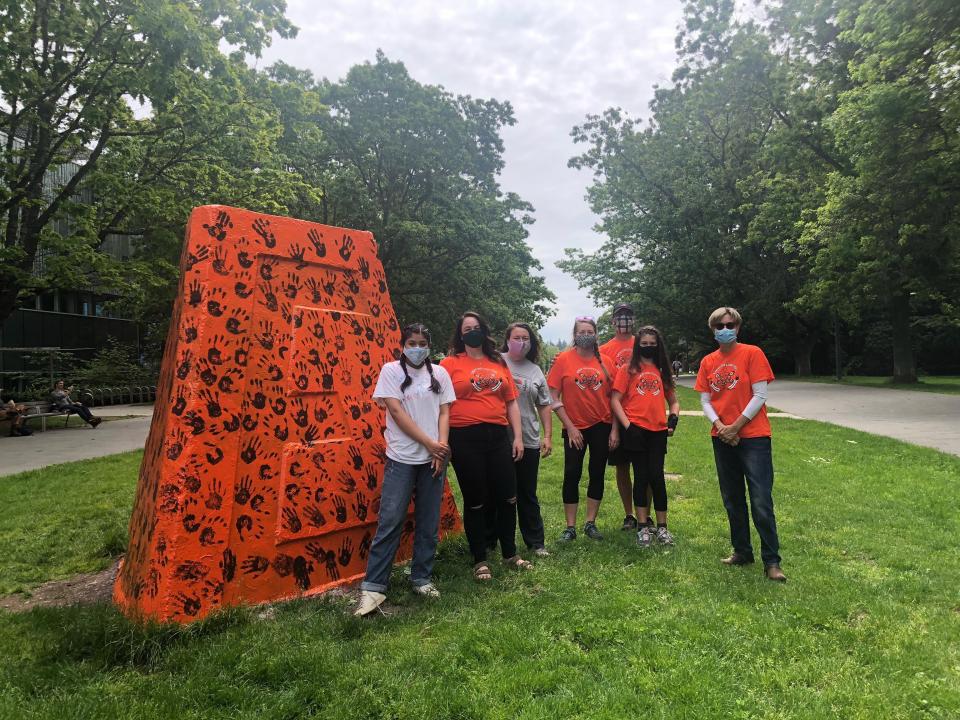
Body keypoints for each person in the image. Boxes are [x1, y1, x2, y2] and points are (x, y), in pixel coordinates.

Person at [355, 324, 457, 616]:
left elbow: (445, 411)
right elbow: (396, 412)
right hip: (402, 458)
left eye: (422, 342)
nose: (417, 347)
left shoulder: (440, 373)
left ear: (428, 345)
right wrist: (430, 443)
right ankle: (374, 587)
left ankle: (421, 578)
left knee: (428, 522)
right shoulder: (390, 371)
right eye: (412, 342)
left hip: (433, 459)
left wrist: (441, 447)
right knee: (391, 519)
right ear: (403, 344)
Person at [695, 307, 786, 582]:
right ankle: (742, 551)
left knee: (760, 500)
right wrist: (722, 427)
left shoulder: (752, 354)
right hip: (722, 438)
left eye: (730, 324)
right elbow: (705, 400)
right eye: (720, 325)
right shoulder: (708, 362)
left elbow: (760, 394)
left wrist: (736, 426)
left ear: (738, 327)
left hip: (754, 437)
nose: (725, 328)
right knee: (732, 498)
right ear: (713, 330)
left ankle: (772, 562)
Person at [440, 312, 531, 582]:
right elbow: (439, 403)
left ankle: (510, 554)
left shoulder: (497, 361)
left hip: (497, 436)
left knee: (507, 495)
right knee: (476, 499)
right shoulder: (448, 364)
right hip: (465, 436)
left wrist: (517, 437)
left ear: (484, 331)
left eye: (476, 328)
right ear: (460, 334)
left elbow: (511, 401)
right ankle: (480, 559)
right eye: (467, 329)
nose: (472, 332)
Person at [484, 322, 552, 557]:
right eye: (517, 337)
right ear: (508, 339)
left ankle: (535, 542)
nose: (521, 342)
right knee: (495, 491)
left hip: (529, 438)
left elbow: (544, 405)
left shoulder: (535, 370)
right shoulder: (495, 362)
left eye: (526, 338)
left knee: (526, 493)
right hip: (497, 438)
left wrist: (548, 436)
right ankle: (489, 541)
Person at [610, 326, 680, 547]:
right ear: (637, 345)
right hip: (636, 429)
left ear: (658, 345)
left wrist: (673, 418)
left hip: (658, 431)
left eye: (652, 344)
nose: (648, 347)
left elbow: (674, 400)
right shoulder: (627, 369)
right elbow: (615, 400)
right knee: (641, 477)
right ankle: (642, 527)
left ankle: (662, 527)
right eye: (644, 344)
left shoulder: (662, 370)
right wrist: (628, 427)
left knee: (657, 478)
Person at [547, 316, 616, 542]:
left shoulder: (606, 361)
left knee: (597, 473)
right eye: (581, 331)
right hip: (574, 427)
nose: (585, 335)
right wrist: (570, 427)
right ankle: (570, 527)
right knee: (571, 474)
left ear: (596, 335)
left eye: (590, 331)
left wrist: (614, 430)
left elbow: (616, 399)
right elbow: (553, 396)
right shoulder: (563, 360)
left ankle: (590, 523)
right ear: (574, 334)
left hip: (601, 426)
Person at [599, 302, 645, 533]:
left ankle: (644, 514)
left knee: (644, 468)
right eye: (620, 315)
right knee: (622, 466)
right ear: (613, 321)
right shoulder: (605, 349)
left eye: (628, 315)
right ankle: (629, 514)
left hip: (642, 413)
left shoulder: (642, 344)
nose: (624, 319)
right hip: (616, 414)